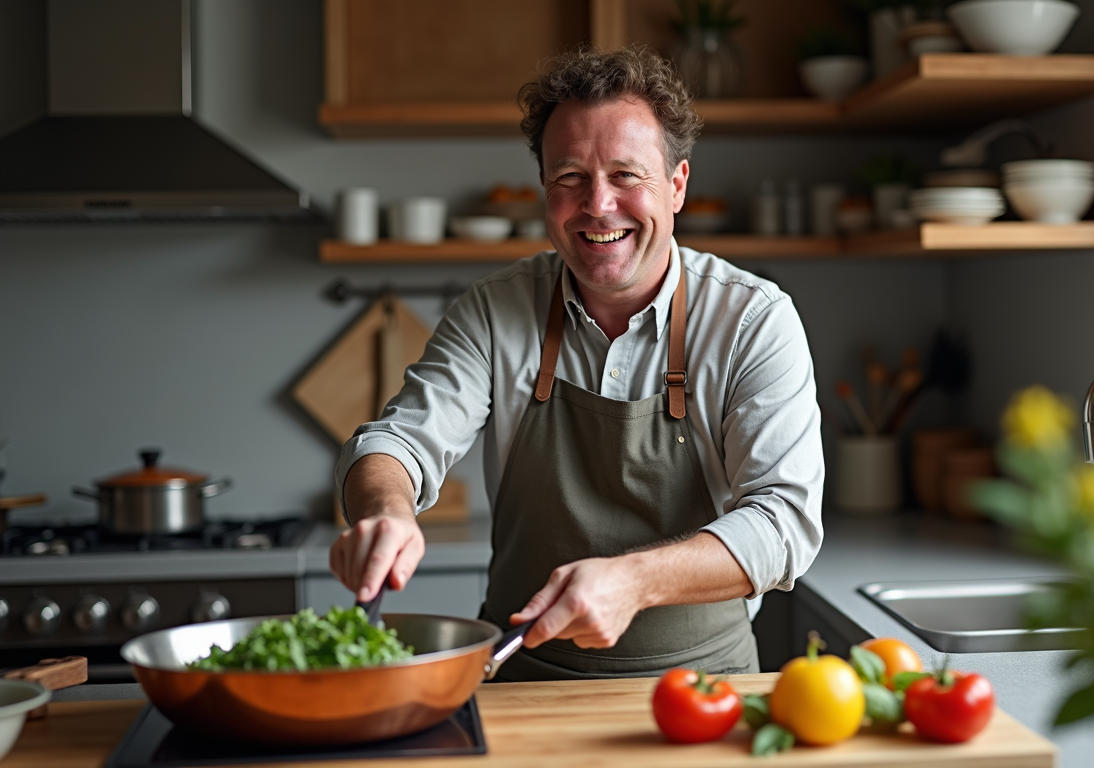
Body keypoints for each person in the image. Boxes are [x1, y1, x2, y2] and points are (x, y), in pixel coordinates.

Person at [328, 46, 823, 680]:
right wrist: (386, 511)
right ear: (544, 190)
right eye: (570, 177)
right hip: (522, 679)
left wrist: (635, 581)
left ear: (676, 187)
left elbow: (786, 523)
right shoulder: (493, 311)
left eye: (626, 175)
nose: (597, 205)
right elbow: (397, 442)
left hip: (702, 688)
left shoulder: (752, 319)